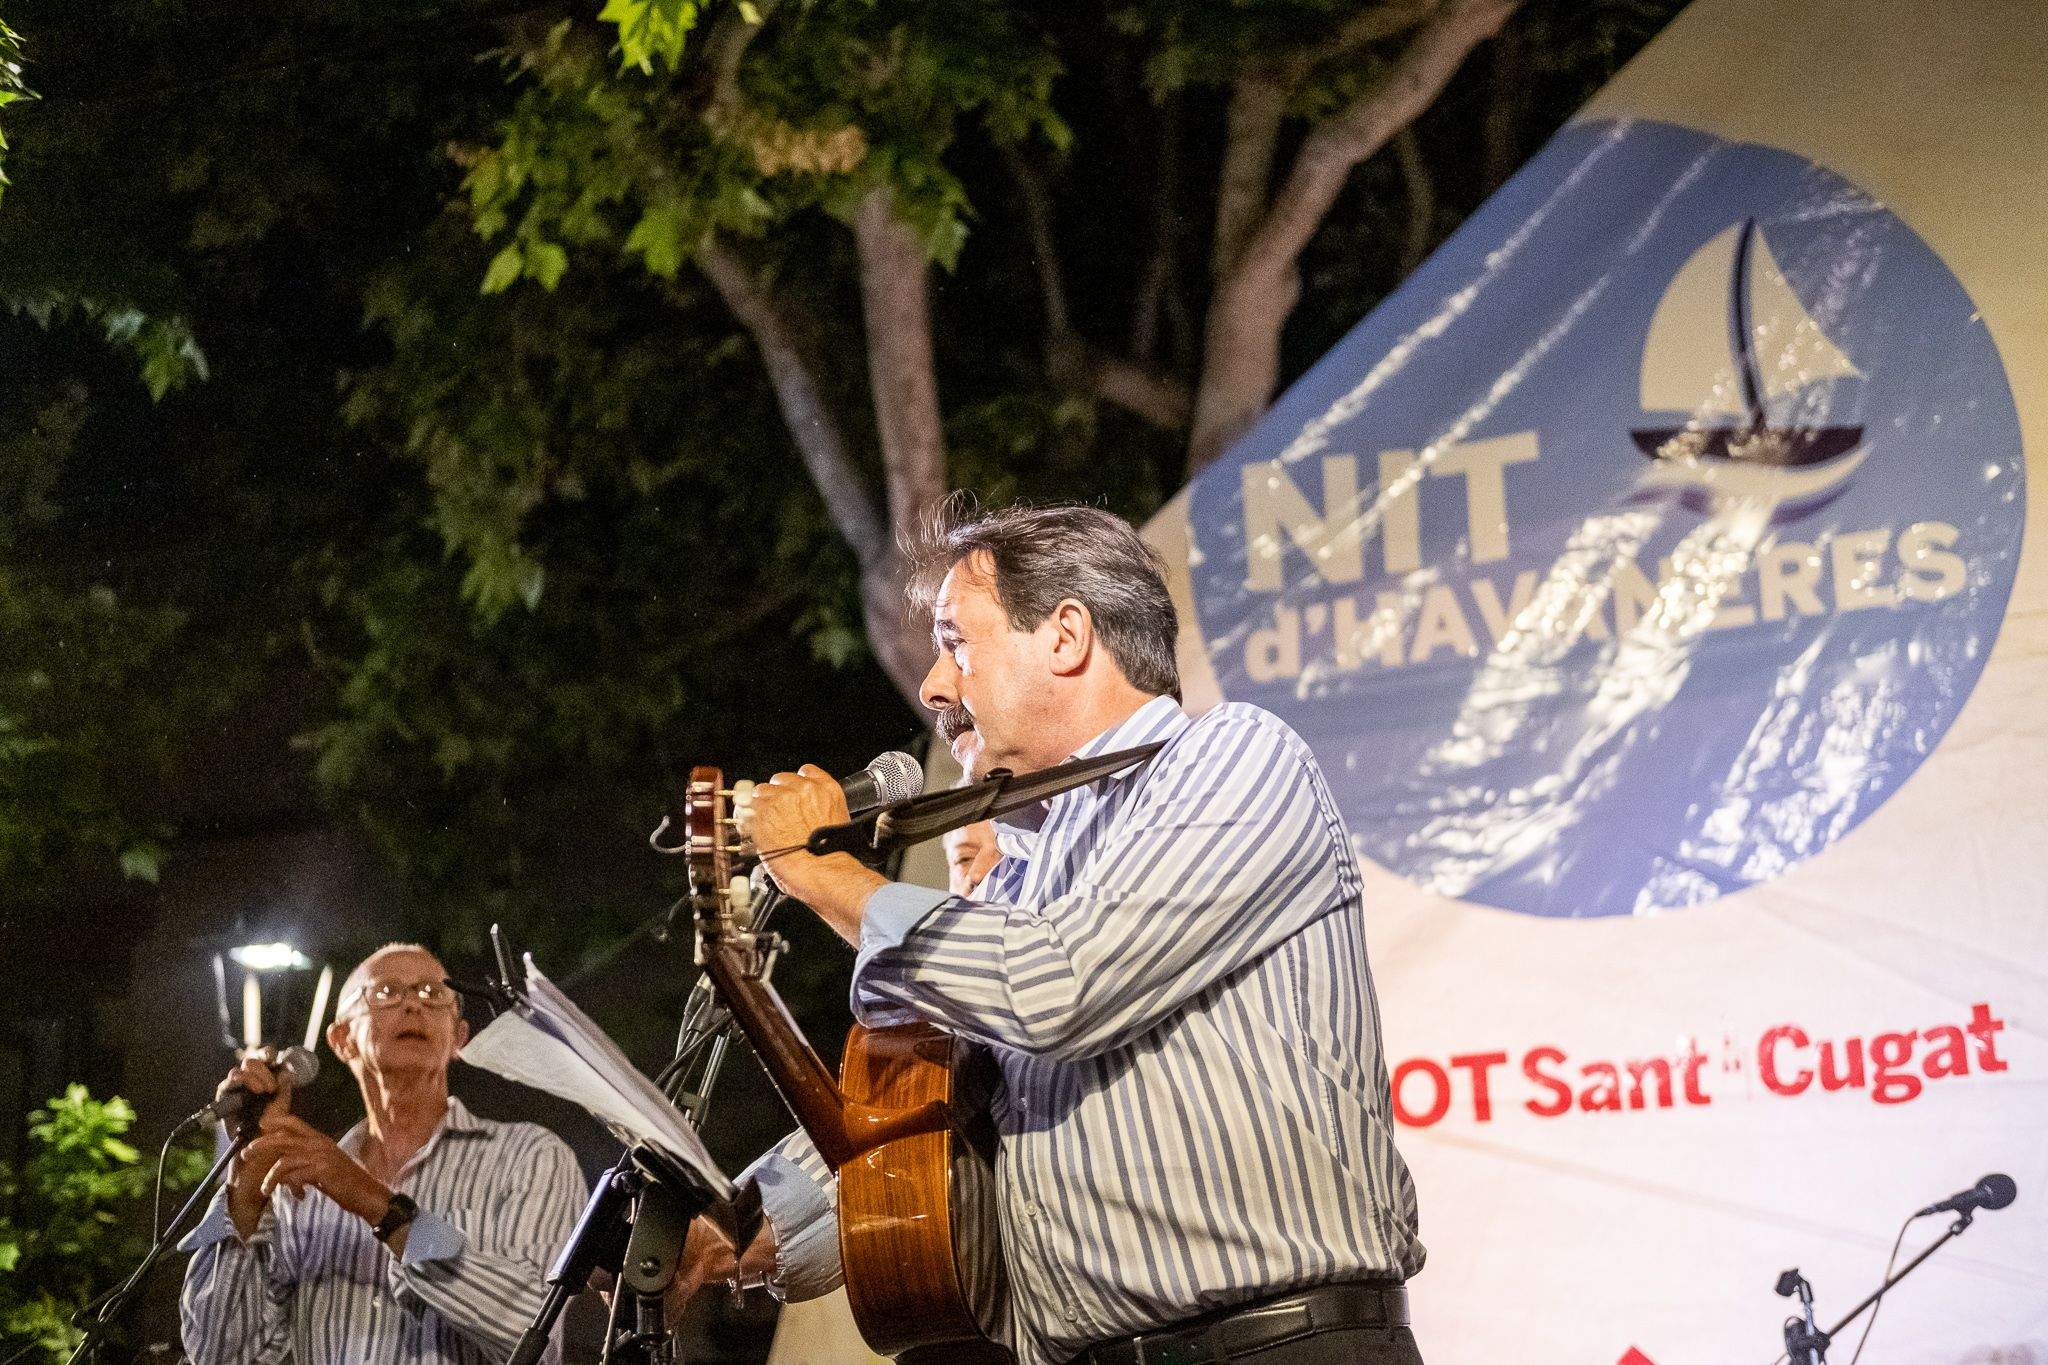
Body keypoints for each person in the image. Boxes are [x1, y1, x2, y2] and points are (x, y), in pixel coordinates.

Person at [725, 502, 1426, 1364]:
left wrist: (829, 876)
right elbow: (922, 1116)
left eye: (958, 641)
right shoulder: (1026, 869)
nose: (936, 685)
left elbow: (1059, 985)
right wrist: (730, 1219)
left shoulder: (1236, 759)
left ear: (1065, 636)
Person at [179, 943, 588, 1364]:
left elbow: (536, 1334)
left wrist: (380, 1207)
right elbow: (216, 1354)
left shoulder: (532, 1157)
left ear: (459, 1039)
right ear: (342, 1041)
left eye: (433, 993)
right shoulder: (296, 1184)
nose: (413, 1005)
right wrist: (246, 1184)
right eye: (387, 992)